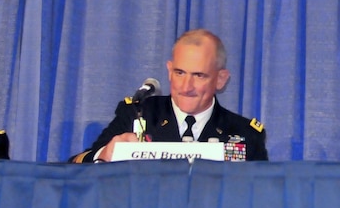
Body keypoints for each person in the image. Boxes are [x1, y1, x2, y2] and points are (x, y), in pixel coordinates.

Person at [70, 29, 267, 162]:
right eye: (179, 73)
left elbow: (261, 200)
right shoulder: (139, 113)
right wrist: (103, 154)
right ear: (169, 70)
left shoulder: (245, 134)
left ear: (221, 79)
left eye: (198, 75)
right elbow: (76, 169)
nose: (186, 86)